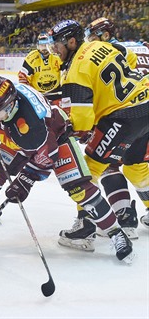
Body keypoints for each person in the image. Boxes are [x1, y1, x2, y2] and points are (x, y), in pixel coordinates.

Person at [0, 74, 134, 262]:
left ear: (10, 104)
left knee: (79, 189)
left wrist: (24, 181)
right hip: (18, 139)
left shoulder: (30, 125)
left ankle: (116, 233)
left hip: (55, 139)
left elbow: (45, 156)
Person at [48, 19, 149, 241]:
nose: (54, 50)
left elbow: (82, 122)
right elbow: (128, 56)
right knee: (136, 167)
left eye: (57, 44)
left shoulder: (76, 70)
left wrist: (67, 130)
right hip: (145, 104)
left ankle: (86, 229)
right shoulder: (100, 45)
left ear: (72, 42)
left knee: (88, 170)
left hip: (123, 117)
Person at [81, 16, 148, 238]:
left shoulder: (107, 54)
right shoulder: (137, 49)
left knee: (107, 165)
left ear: (105, 35)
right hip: (144, 112)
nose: (89, 42)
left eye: (92, 37)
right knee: (136, 167)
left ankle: (123, 218)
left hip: (126, 116)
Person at [17, 32, 65, 112]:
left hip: (56, 94)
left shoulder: (57, 56)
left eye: (46, 45)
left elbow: (66, 72)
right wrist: (29, 95)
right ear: (38, 46)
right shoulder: (31, 58)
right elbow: (22, 77)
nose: (44, 49)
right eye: (42, 46)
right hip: (38, 96)